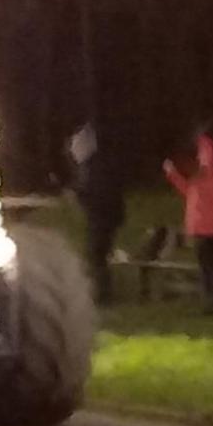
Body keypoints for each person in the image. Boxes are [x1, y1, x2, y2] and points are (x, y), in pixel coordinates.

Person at [165, 121, 213, 311]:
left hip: (204, 226)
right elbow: (189, 192)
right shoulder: (208, 176)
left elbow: (207, 159)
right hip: (208, 225)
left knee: (208, 266)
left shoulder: (208, 173)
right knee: (211, 265)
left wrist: (202, 144)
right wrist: (173, 174)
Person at [65, 122, 127, 298]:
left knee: (96, 255)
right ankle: (101, 292)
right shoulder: (96, 165)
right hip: (106, 215)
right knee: (97, 254)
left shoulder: (94, 167)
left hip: (103, 217)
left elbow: (96, 194)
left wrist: (77, 195)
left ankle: (103, 294)